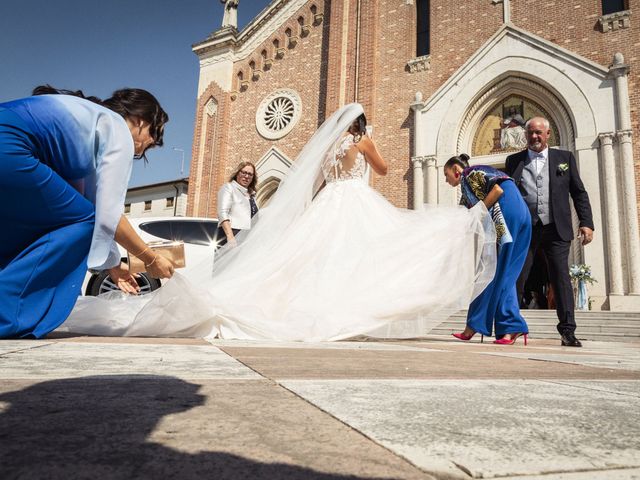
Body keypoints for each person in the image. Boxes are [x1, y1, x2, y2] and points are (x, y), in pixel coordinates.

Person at [61, 103, 497, 341]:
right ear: (360, 125)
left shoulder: (330, 151)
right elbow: (382, 170)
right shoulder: (362, 141)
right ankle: (345, 316)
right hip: (356, 200)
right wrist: (371, 141)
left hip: (330, 203)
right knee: (367, 254)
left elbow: (322, 183)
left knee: (320, 260)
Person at [0, 85, 175, 339]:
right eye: (153, 136)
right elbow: (105, 216)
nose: (147, 147)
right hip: (9, 146)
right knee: (82, 220)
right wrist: (151, 258)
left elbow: (90, 204)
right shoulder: (117, 129)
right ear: (138, 121)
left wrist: (114, 265)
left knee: (29, 230)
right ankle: (7, 314)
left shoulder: (90, 126)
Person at [505, 117, 594, 347]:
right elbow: (506, 198)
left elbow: (579, 193)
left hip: (556, 229)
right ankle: (512, 327)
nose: (534, 137)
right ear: (525, 136)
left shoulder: (564, 159)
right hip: (526, 230)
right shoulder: (513, 161)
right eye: (530, 133)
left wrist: (586, 222)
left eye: (538, 133)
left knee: (561, 279)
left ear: (548, 135)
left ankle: (567, 331)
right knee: (517, 277)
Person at [444, 154, 531, 345]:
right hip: (522, 213)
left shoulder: (469, 174)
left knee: (490, 271)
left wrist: (477, 211)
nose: (446, 179)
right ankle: (509, 328)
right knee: (507, 273)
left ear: (456, 170)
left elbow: (497, 191)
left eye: (446, 174)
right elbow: (465, 216)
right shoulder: (474, 181)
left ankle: (476, 326)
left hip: (506, 213)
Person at [216, 162, 259, 248]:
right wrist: (230, 236)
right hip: (231, 235)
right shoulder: (229, 188)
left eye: (250, 174)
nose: (246, 176)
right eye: (244, 172)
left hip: (247, 238)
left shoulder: (252, 195)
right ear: (237, 173)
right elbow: (222, 213)